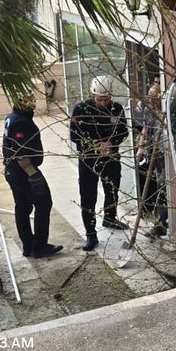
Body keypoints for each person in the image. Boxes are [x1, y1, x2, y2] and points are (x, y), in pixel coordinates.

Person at [70, 75, 129, 251]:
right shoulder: (81, 109)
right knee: (88, 197)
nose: (103, 102)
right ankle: (90, 234)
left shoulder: (117, 109)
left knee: (112, 189)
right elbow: (75, 136)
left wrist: (112, 143)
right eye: (99, 99)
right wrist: (95, 144)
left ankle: (110, 217)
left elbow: (123, 131)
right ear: (93, 96)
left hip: (110, 158)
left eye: (106, 99)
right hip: (89, 159)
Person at [2, 93, 63, 258]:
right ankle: (39, 246)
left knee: (22, 207)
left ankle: (28, 246)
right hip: (23, 172)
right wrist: (33, 175)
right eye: (28, 99)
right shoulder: (20, 122)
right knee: (43, 203)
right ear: (19, 101)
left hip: (11, 171)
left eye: (32, 99)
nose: (32, 103)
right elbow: (21, 155)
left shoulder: (13, 117)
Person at [136, 83, 168, 238]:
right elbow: (145, 129)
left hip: (165, 156)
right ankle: (160, 222)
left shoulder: (165, 113)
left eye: (155, 96)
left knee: (163, 188)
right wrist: (141, 146)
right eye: (150, 96)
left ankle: (161, 224)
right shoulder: (150, 112)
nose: (151, 99)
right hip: (154, 157)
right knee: (159, 187)